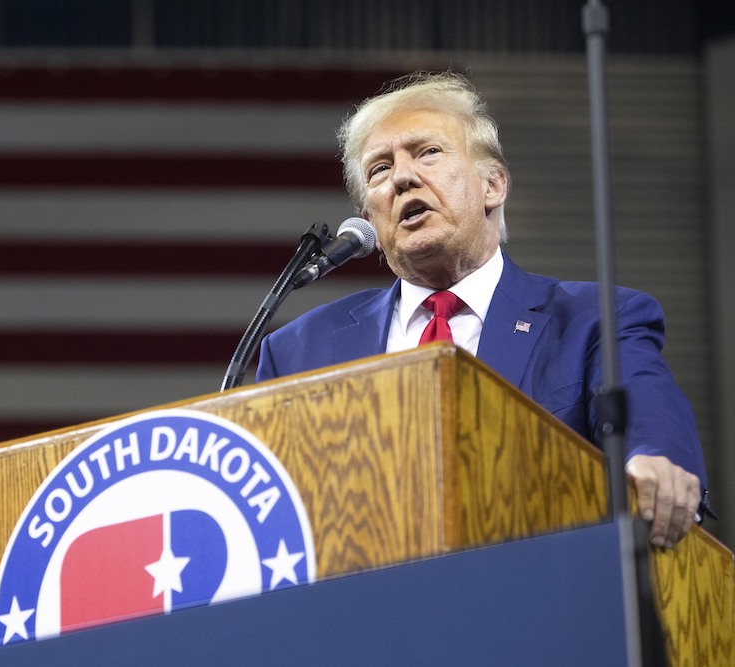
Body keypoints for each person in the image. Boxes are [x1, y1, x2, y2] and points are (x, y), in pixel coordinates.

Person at [256, 71, 708, 549]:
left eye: (428, 152)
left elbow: (647, 411)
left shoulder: (595, 320)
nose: (403, 177)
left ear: (493, 185)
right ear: (370, 220)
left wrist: (654, 461)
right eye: (379, 170)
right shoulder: (297, 352)